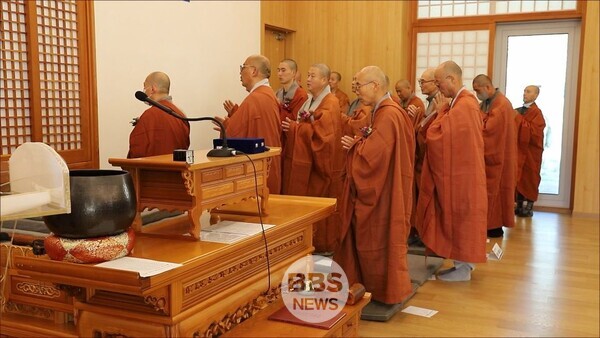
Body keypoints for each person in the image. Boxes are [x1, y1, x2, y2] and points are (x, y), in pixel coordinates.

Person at [335, 65, 415, 306]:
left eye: (360, 85)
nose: (357, 90)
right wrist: (361, 141)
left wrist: (356, 147)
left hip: (383, 192)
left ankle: (381, 290)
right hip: (387, 187)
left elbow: (373, 157)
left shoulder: (389, 114)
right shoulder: (384, 111)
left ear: (376, 86)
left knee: (378, 239)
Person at [415, 61, 487, 282]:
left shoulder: (465, 105)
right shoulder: (457, 103)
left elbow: (439, 137)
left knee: (462, 217)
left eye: (439, 82)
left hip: (463, 176)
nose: (438, 87)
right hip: (460, 174)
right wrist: (442, 111)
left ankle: (463, 267)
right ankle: (460, 264)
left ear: (452, 79)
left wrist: (439, 113)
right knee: (457, 216)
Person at [281, 63, 344, 254]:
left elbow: (324, 136)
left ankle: (323, 245)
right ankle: (306, 241)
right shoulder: (310, 100)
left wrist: (295, 128)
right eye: (307, 75)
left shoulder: (330, 102)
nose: (308, 79)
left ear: (324, 80)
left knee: (320, 204)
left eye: (313, 76)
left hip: (321, 164)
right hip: (309, 161)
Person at [215, 55, 282, 194]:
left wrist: (225, 125)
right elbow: (252, 125)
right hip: (269, 162)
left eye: (243, 67)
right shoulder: (268, 94)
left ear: (253, 71)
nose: (240, 73)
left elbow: (235, 132)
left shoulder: (255, 98)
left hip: (258, 167)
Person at [472, 74, 518, 238]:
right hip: (490, 157)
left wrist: (479, 119)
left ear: (488, 87)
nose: (477, 94)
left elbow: (490, 129)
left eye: (478, 90)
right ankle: (487, 225)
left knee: (496, 191)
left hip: (499, 156)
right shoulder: (486, 102)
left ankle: (494, 226)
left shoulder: (502, 104)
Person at [406, 69, 439, 243]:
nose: (421, 85)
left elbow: (433, 128)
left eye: (423, 81)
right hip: (422, 158)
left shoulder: (440, 101)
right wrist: (417, 115)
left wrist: (418, 116)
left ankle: (425, 234)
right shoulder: (431, 101)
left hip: (429, 160)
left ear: (435, 82)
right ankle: (419, 231)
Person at [128, 71, 190, 158]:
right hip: (177, 170)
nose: (144, 91)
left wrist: (144, 123)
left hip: (154, 170)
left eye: (145, 87)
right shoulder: (180, 114)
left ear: (153, 89)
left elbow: (136, 153)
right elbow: (185, 145)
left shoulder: (149, 115)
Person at [514, 85, 545, 217]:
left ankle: (529, 206)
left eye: (528, 91)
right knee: (518, 176)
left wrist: (518, 119)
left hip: (531, 151)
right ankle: (519, 204)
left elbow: (535, 132)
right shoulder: (518, 110)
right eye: (524, 91)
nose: (524, 94)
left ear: (536, 95)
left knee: (530, 176)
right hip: (518, 149)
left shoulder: (537, 113)